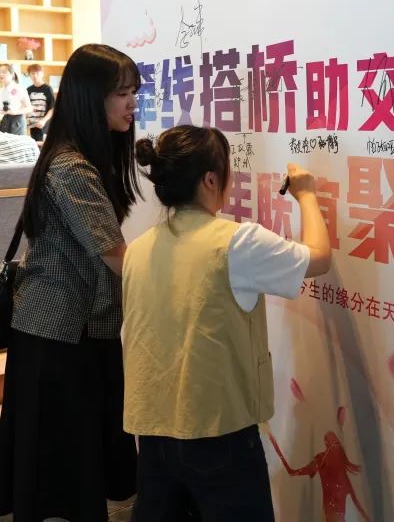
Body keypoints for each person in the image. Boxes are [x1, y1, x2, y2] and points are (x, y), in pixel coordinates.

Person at [122, 124, 331, 522]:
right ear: (210, 180)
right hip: (219, 436)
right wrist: (306, 194)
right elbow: (319, 258)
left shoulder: (139, 249)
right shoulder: (237, 242)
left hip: (152, 433)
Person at [0, 44, 141, 522]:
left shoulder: (79, 158)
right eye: (121, 93)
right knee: (65, 469)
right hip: (61, 334)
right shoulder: (72, 167)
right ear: (89, 98)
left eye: (133, 92)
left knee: (65, 464)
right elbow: (116, 258)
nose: (132, 103)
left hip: (69, 330)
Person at [287, 431, 371, 522]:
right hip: (338, 514)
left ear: (326, 443)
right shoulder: (341, 473)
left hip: (332, 512)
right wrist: (366, 517)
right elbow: (355, 500)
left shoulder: (323, 458)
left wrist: (293, 472)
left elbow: (309, 469)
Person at [0, 63, 33, 135]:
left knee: (17, 142)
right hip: (5, 120)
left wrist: (15, 112)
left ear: (12, 74)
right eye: (0, 72)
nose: (1, 74)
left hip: (17, 121)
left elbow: (29, 108)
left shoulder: (19, 88)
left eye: (4, 72)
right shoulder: (1, 90)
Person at [26, 63, 55, 142]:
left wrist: (43, 121)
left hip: (43, 125)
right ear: (29, 75)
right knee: (33, 145)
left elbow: (52, 108)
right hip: (31, 125)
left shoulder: (48, 88)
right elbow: (26, 107)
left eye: (37, 73)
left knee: (42, 146)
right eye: (32, 73)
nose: (35, 76)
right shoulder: (28, 90)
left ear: (42, 74)